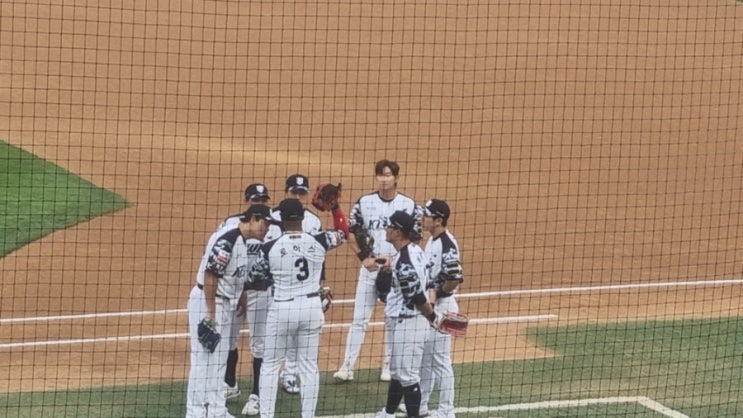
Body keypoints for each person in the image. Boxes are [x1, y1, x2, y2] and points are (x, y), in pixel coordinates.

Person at [248, 198, 349, 418]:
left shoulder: (269, 248)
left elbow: (255, 279)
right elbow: (344, 231)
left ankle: (266, 415)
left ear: (281, 220)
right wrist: (335, 208)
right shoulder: (320, 240)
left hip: (282, 309)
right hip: (312, 308)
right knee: (309, 366)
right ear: (303, 218)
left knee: (270, 365)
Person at [185, 204, 276, 418]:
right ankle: (195, 413)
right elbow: (210, 276)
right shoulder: (228, 239)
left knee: (219, 360)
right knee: (202, 360)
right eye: (265, 223)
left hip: (223, 303)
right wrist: (210, 313)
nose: (267, 229)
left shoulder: (242, 241)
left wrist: (240, 295)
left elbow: (234, 274)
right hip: (209, 302)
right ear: (253, 219)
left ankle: (217, 411)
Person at [334, 159, 417, 383]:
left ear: (396, 178)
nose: (383, 179)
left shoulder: (408, 204)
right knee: (359, 318)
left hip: (396, 271)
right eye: (380, 175)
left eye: (388, 175)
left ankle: (388, 366)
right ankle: (347, 366)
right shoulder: (364, 202)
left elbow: (415, 238)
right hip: (370, 268)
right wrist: (364, 257)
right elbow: (351, 232)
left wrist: (397, 261)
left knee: (392, 319)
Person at [264, 174, 323, 395]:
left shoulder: (313, 221)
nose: (298, 196)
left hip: (301, 286)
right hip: (272, 285)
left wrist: (321, 284)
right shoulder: (270, 217)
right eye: (294, 192)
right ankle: (266, 380)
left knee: (296, 335)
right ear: (286, 192)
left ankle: (289, 374)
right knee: (268, 337)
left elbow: (319, 256)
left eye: (302, 193)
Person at [375, 210, 438, 418]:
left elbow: (417, 297)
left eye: (389, 226)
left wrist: (432, 317)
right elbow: (428, 283)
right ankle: (388, 413)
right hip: (404, 322)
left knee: (408, 377)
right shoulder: (415, 251)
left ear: (398, 231)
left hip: (409, 324)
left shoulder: (404, 262)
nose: (386, 229)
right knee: (397, 372)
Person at [220, 183, 272, 401]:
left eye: (263, 200)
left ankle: (257, 394)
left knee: (259, 344)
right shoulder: (231, 224)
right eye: (255, 200)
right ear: (246, 201)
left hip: (260, 292)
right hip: (234, 290)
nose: (259, 203)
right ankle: (230, 384)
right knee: (228, 339)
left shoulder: (273, 226)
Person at [419, 199, 463, 418]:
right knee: (426, 359)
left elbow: (455, 278)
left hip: (443, 308)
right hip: (432, 307)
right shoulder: (432, 240)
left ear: (438, 220)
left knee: (440, 361)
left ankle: (447, 411)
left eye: (427, 215)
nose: (422, 218)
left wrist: (438, 294)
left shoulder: (447, 244)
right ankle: (421, 405)